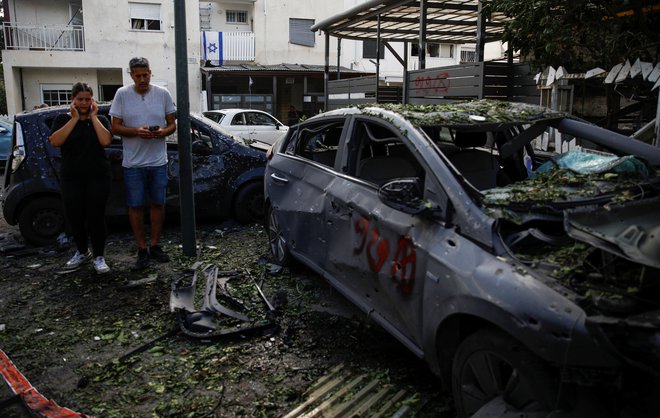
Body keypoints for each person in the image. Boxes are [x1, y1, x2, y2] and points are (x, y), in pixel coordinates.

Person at [109, 57, 177, 270]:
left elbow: (172, 124)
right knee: (136, 206)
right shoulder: (122, 94)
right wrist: (136, 131)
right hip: (133, 163)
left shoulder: (162, 94)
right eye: (137, 76)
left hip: (158, 161)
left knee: (158, 204)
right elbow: (115, 127)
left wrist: (162, 133)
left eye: (145, 75)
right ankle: (141, 249)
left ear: (150, 73)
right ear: (131, 75)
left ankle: (155, 245)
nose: (142, 79)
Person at [49, 82, 113, 274]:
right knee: (75, 216)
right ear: (73, 100)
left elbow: (106, 141)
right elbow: (55, 141)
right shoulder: (62, 119)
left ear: (92, 100)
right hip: (71, 177)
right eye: (80, 99)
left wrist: (93, 117)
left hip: (98, 176)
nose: (84, 103)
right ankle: (82, 251)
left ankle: (99, 256)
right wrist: (74, 119)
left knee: (96, 216)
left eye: (87, 99)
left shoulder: (101, 119)